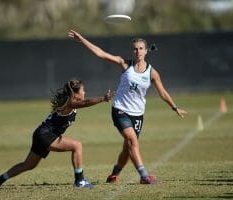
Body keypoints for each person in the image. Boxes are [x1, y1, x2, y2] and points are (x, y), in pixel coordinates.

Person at [68, 30, 187, 184]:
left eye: (140, 48)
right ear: (132, 51)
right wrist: (82, 39)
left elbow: (162, 92)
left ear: (146, 50)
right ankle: (144, 176)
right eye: (135, 49)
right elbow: (101, 54)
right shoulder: (125, 63)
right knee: (132, 140)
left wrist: (174, 107)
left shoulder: (152, 73)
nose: (137, 51)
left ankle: (114, 174)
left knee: (128, 148)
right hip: (120, 109)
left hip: (138, 114)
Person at [0, 79, 114, 189]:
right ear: (75, 93)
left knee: (28, 165)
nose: (85, 92)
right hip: (44, 135)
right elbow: (85, 103)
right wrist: (103, 98)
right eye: (83, 90)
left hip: (41, 134)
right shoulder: (69, 104)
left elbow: (83, 102)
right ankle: (80, 181)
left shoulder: (71, 103)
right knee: (77, 146)